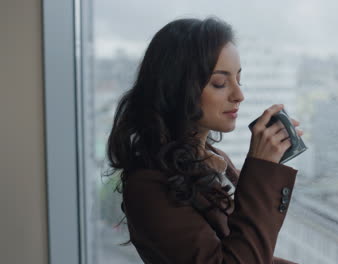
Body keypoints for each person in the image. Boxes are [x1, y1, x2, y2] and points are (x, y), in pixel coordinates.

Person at [105, 16, 304, 264]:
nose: (239, 95)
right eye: (220, 83)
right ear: (177, 87)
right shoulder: (148, 185)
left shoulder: (212, 159)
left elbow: (249, 251)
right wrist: (262, 171)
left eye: (238, 79)